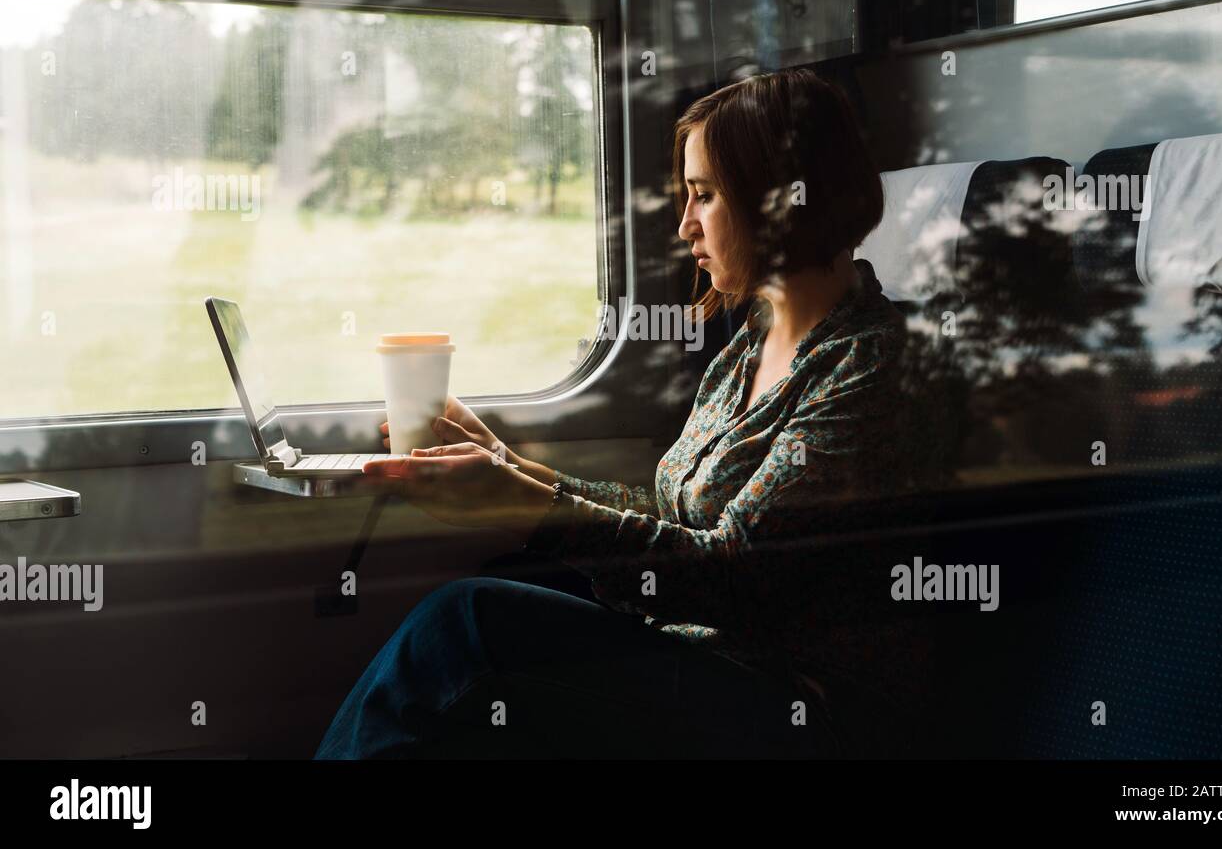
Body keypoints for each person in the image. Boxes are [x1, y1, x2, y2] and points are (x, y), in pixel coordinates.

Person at [314, 67, 915, 759]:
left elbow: (735, 576)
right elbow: (675, 518)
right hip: (707, 666)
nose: (686, 225)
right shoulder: (750, 346)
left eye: (705, 196)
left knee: (469, 622)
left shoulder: (870, 367)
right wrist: (512, 469)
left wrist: (531, 511)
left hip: (801, 709)